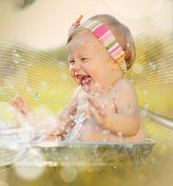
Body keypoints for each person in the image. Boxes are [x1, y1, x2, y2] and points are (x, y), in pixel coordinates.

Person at [11, 14, 145, 143]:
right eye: (72, 61)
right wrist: (32, 121)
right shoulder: (81, 94)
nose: (75, 67)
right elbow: (61, 124)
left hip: (117, 159)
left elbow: (132, 125)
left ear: (115, 60)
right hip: (83, 156)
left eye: (84, 59)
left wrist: (108, 120)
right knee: (50, 136)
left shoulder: (121, 88)